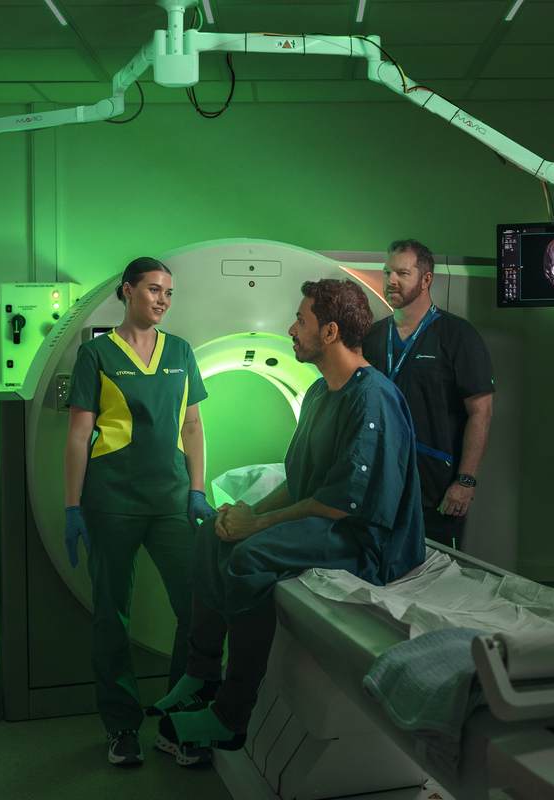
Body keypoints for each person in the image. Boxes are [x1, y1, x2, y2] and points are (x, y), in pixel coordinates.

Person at [146, 278, 426, 764]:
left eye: (301, 320)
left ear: (330, 332)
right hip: (330, 520)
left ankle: (231, 715)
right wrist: (248, 512)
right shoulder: (320, 393)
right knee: (212, 533)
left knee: (250, 557)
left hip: (368, 540)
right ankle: (201, 673)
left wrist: (257, 528)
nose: (291, 330)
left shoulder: (372, 399)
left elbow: (341, 504)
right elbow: (299, 482)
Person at [63, 256, 217, 766]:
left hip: (171, 499)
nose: (162, 300)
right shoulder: (96, 354)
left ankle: (177, 723)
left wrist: (196, 490)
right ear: (127, 291)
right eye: (153, 290)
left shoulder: (181, 351)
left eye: (168, 292)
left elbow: (192, 426)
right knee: (112, 615)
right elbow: (79, 435)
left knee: (196, 608)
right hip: (111, 501)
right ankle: (122, 726)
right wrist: (72, 506)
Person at [361, 239, 494, 552]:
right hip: (378, 489)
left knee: (434, 574)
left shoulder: (457, 336)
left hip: (435, 493)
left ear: (426, 279)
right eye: (387, 272)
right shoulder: (372, 337)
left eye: (402, 273)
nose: (391, 280)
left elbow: (481, 412)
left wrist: (465, 481)